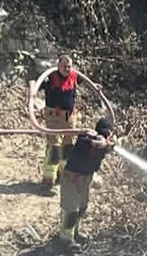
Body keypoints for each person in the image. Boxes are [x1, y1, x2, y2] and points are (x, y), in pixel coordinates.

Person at [36, 54, 103, 188]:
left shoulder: (74, 76)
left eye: (69, 66)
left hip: (70, 118)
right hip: (54, 117)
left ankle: (63, 175)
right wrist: (32, 92)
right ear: (58, 66)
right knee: (55, 146)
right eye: (64, 66)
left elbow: (86, 83)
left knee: (67, 147)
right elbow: (34, 82)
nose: (67, 69)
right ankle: (48, 179)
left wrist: (95, 86)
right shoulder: (51, 77)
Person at [57, 117, 115, 252]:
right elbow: (93, 144)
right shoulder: (85, 138)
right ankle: (65, 239)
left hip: (86, 178)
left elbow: (104, 146)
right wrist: (103, 144)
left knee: (83, 206)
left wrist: (111, 145)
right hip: (70, 178)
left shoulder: (105, 142)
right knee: (71, 209)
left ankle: (75, 232)